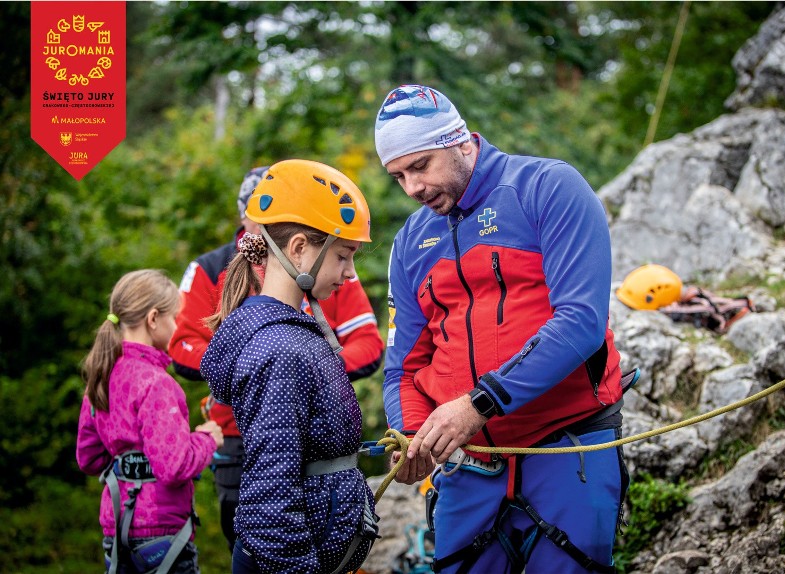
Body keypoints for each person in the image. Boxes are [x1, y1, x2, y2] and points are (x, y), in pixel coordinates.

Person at [375, 84, 629, 573]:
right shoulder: (410, 241)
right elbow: (403, 368)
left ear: (460, 141)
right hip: (467, 466)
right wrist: (409, 433)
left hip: (568, 444)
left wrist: (479, 404)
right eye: (398, 176)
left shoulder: (548, 187)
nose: (412, 188)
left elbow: (581, 323)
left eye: (421, 165)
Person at [169, 166, 384, 552]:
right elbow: (273, 513)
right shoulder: (214, 272)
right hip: (239, 435)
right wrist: (264, 368)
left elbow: (367, 345)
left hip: (303, 437)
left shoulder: (315, 290)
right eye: (344, 257)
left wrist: (319, 378)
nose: (350, 273)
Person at [76, 269, 224, 574]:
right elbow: (174, 466)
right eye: (174, 318)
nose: (177, 326)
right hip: (162, 531)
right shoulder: (157, 383)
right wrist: (207, 439)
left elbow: (89, 458)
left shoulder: (101, 376)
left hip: (116, 528)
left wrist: (128, 459)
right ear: (153, 318)